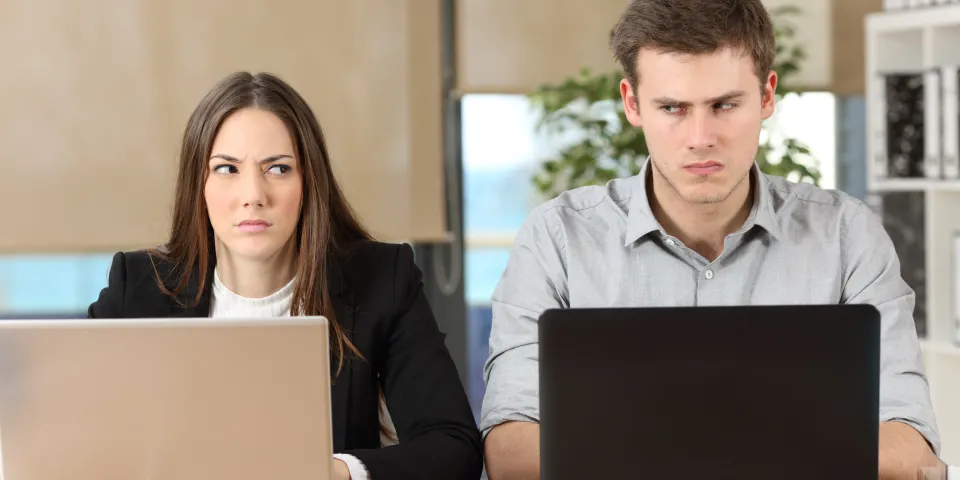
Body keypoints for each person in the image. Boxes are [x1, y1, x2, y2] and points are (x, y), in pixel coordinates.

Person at [480, 1, 944, 478]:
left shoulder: (847, 235)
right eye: (672, 108)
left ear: (767, 96)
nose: (701, 138)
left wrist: (644, 453)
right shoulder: (557, 238)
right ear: (632, 103)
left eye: (724, 105)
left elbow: (907, 443)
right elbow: (510, 452)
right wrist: (780, 452)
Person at [88, 71, 483, 480]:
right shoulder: (136, 287)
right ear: (198, 184)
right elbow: (70, 430)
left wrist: (333, 473)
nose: (254, 195)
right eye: (227, 169)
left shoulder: (382, 279)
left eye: (277, 169)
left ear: (309, 182)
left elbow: (454, 449)